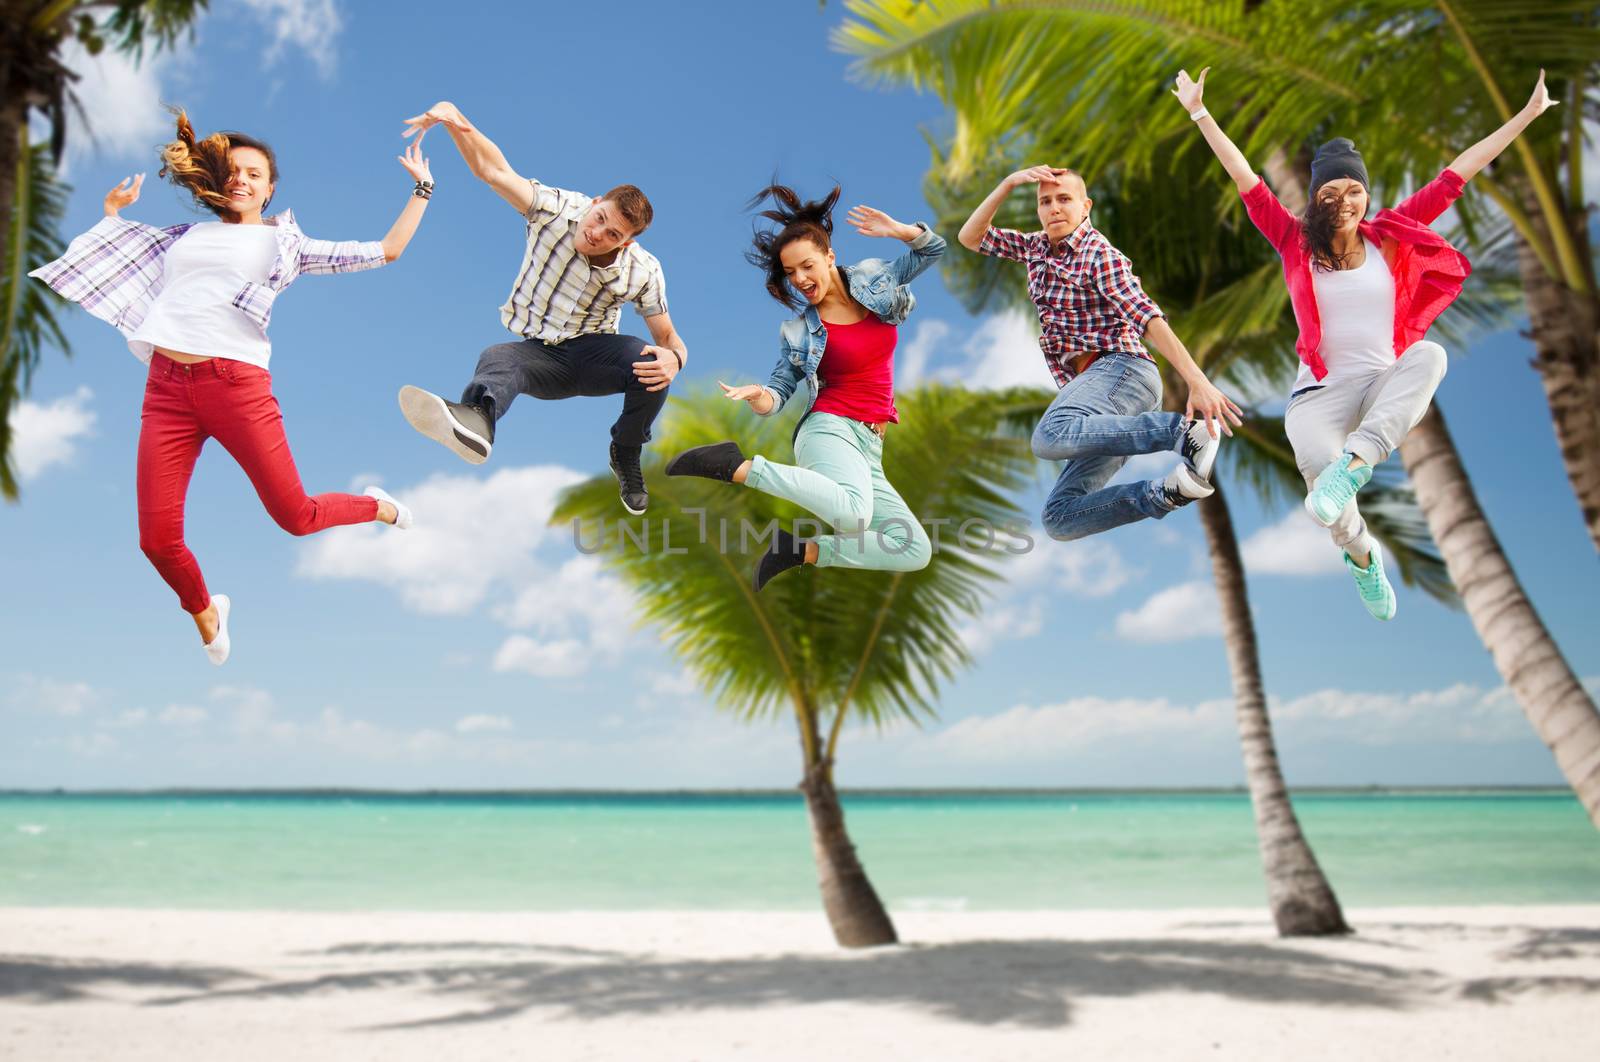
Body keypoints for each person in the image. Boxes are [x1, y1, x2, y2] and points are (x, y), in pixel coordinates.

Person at [30, 109, 429, 665]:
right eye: (233, 171)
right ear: (218, 183)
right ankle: (205, 611)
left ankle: (376, 508)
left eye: (254, 173)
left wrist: (422, 188)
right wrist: (110, 214)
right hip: (166, 390)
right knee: (156, 540)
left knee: (296, 517)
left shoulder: (285, 245)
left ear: (270, 189)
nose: (241, 179)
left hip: (237, 386)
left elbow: (386, 251)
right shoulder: (185, 236)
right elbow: (125, 258)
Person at [1174, 66, 1558, 619]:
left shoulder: (1390, 232)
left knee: (1430, 355)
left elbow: (1459, 172)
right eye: (1333, 191)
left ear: (1366, 195)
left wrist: (1526, 115)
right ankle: (1363, 557)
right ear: (1316, 197)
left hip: (1381, 385)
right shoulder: (1290, 240)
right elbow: (1244, 176)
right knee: (1324, 499)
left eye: (1356, 190)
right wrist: (1199, 112)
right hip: (1319, 396)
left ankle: (1358, 463)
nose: (1346, 200)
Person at [394, 101, 689, 515]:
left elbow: (669, 338)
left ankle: (625, 450)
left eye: (612, 233)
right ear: (595, 201)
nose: (596, 232)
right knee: (496, 357)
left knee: (650, 361)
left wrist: (675, 360)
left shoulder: (643, 270)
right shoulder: (556, 208)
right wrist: (457, 122)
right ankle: (476, 420)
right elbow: (492, 171)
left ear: (627, 242)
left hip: (594, 355)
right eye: (599, 216)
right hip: (541, 356)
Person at [665, 185, 940, 591]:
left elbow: (931, 250)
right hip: (829, 430)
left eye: (807, 266)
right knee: (855, 518)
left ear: (830, 257)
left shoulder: (873, 279)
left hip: (871, 445)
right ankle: (737, 466)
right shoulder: (800, 331)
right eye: (791, 273)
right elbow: (778, 392)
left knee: (913, 549)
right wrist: (759, 395)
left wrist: (897, 230)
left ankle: (801, 552)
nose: (800, 279)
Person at [958, 165, 1243, 543]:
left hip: (1124, 370)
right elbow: (970, 236)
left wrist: (1197, 381)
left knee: (1050, 436)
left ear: (1085, 206)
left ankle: (1180, 433)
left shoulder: (1098, 254)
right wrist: (1009, 183)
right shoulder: (1035, 247)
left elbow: (1147, 316)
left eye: (1064, 199)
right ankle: (1166, 493)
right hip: (1103, 397)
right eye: (1045, 202)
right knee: (1059, 520)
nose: (1054, 209)